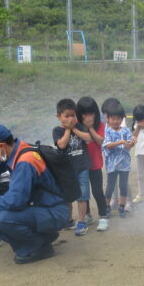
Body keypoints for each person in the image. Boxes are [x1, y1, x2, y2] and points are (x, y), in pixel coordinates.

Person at [0, 124, 68, 264]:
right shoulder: (16, 152)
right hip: (41, 209)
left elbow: (16, 200)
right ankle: (38, 240)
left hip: (53, 211)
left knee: (3, 218)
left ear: (2, 146)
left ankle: (40, 246)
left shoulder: (25, 161)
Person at [53, 98, 92, 236]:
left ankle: (81, 222)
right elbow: (61, 145)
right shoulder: (57, 131)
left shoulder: (79, 127)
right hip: (66, 170)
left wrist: (73, 128)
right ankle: (68, 220)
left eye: (73, 115)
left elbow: (88, 138)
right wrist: (68, 130)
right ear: (59, 117)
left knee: (82, 196)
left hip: (82, 167)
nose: (70, 118)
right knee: (68, 197)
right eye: (66, 116)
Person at [76, 97, 109, 231]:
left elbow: (101, 141)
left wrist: (90, 128)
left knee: (97, 191)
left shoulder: (100, 125)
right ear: (80, 114)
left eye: (91, 114)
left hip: (95, 163)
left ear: (95, 113)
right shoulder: (76, 125)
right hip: (81, 164)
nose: (88, 117)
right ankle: (88, 215)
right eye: (85, 114)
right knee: (84, 193)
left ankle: (103, 217)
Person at [103, 102, 134, 218]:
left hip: (124, 163)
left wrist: (132, 143)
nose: (116, 121)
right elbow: (107, 145)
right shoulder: (107, 131)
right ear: (109, 119)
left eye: (118, 118)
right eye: (113, 118)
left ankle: (122, 206)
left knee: (123, 185)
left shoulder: (126, 131)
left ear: (122, 119)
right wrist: (121, 142)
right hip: (112, 164)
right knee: (110, 185)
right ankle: (106, 207)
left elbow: (129, 145)